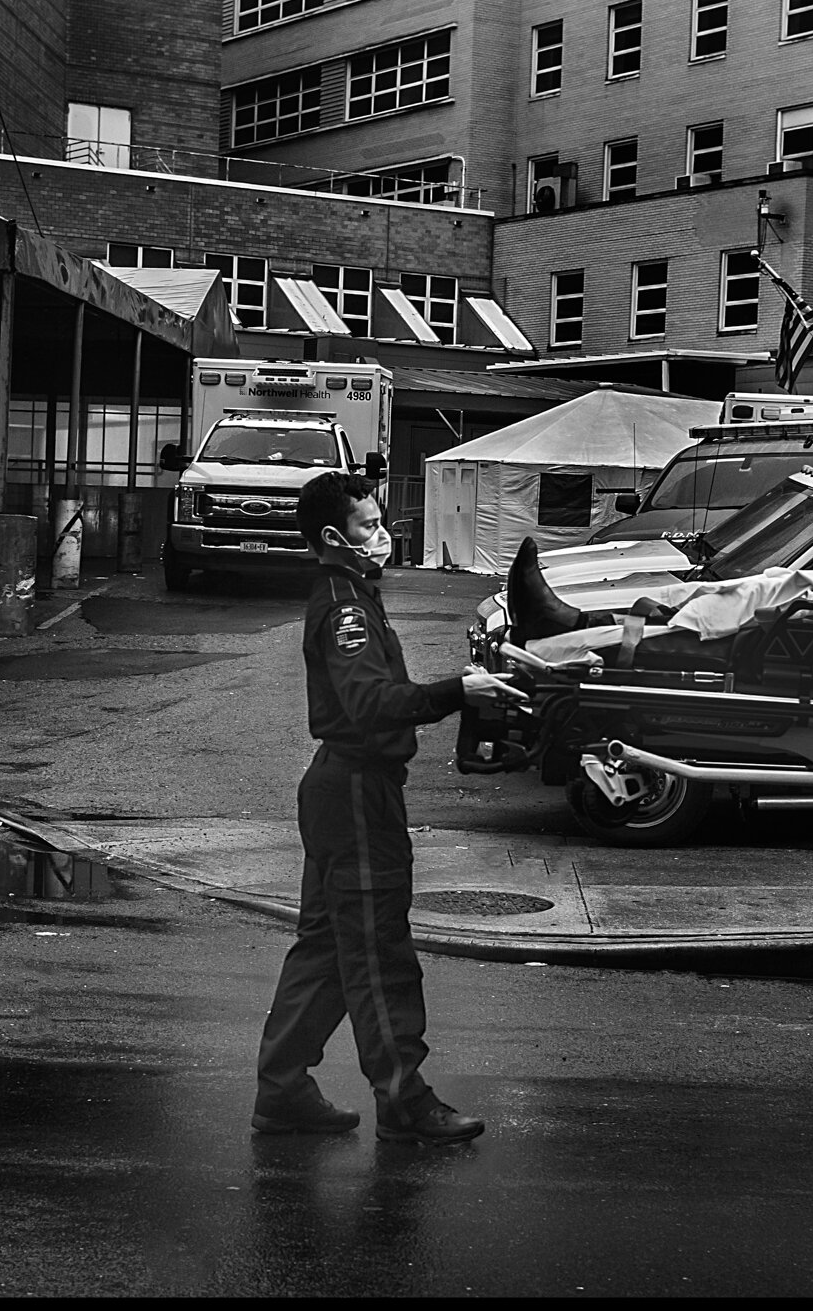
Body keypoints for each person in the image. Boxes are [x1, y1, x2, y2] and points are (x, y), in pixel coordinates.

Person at [253, 471, 525, 1144]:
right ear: (331, 536)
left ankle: (282, 1091)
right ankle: (405, 1100)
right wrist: (458, 690)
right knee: (379, 952)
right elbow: (372, 703)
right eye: (368, 525)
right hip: (355, 792)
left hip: (341, 789)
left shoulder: (354, 597)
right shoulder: (345, 608)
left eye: (380, 522)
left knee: (325, 949)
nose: (383, 535)